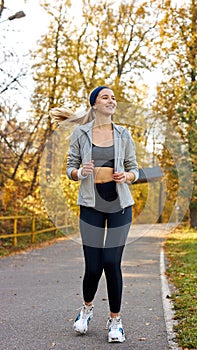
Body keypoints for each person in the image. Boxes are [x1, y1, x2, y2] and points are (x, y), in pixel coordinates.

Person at [51, 86, 138, 343]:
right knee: (93, 265)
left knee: (111, 262)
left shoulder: (124, 134)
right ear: (95, 105)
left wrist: (128, 176)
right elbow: (70, 167)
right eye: (105, 97)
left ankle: (115, 321)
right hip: (90, 204)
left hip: (120, 204)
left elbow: (134, 168)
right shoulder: (81, 133)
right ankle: (87, 309)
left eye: (113, 97)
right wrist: (80, 173)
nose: (111, 100)